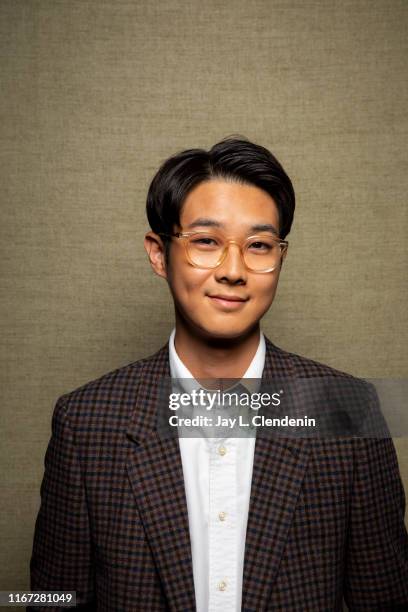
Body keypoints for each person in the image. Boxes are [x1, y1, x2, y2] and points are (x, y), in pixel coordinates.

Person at [30, 137, 408, 611]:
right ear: (157, 253)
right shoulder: (84, 422)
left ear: (280, 258)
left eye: (258, 245)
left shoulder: (348, 411)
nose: (234, 270)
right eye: (206, 241)